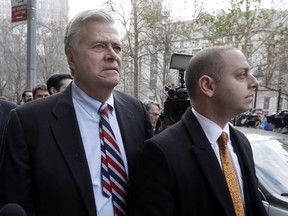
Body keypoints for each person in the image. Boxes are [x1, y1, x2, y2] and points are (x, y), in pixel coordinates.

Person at [0, 9, 153, 216]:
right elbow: (18, 202)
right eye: (99, 46)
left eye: (117, 47)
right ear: (72, 58)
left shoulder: (135, 111)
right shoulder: (28, 121)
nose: (112, 55)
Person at [131, 46, 268, 216]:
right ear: (208, 85)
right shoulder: (161, 152)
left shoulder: (241, 142)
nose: (254, 82)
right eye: (241, 75)